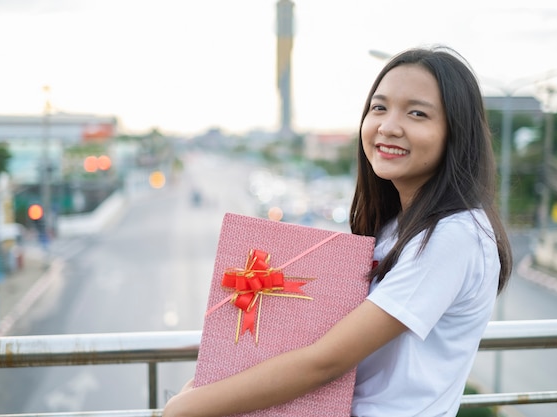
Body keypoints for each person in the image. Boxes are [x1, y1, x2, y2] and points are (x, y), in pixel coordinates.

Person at [162, 45, 512, 417]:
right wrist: (210, 382)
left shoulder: (455, 235)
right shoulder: (398, 226)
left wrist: (187, 408)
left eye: (417, 113)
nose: (388, 126)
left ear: (456, 133)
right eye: (379, 107)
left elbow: (325, 363)